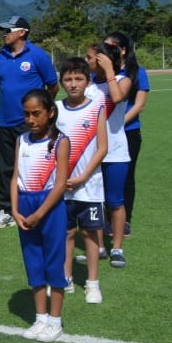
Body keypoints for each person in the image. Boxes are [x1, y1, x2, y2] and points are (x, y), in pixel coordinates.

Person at [11, 89, 71, 342]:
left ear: (50, 113)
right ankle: (40, 318)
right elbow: (15, 177)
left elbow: (61, 184)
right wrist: (15, 210)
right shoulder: (22, 140)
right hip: (25, 204)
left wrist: (39, 213)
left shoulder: (60, 142)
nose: (31, 119)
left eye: (36, 113)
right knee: (33, 262)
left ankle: (55, 321)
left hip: (49, 207)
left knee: (53, 262)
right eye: (27, 114)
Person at [0, 16, 58, 229]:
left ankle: (35, 204)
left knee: (31, 165)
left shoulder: (38, 55)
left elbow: (52, 86)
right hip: (5, 122)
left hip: (29, 124)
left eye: (9, 30)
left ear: (22, 32)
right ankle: (6, 210)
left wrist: (40, 113)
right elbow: (1, 83)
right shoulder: (0, 57)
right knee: (5, 168)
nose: (5, 34)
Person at [57, 57, 108, 304]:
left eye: (79, 78)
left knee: (90, 234)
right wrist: (61, 178)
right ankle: (65, 278)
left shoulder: (97, 108)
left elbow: (103, 148)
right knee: (66, 233)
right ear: (61, 82)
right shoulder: (56, 108)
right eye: (68, 79)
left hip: (89, 185)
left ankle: (92, 283)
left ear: (88, 81)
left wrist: (83, 176)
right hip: (62, 186)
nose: (73, 84)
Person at [87, 42, 132, 269]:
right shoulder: (88, 84)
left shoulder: (123, 80)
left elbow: (116, 98)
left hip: (115, 153)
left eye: (90, 58)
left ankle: (117, 248)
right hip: (92, 153)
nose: (87, 61)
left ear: (103, 60)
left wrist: (109, 71)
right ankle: (98, 247)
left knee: (115, 202)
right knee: (94, 201)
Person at [104, 32, 146, 234]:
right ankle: (104, 220)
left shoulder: (136, 72)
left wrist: (118, 123)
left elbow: (139, 105)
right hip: (103, 133)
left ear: (123, 50)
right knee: (102, 176)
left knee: (127, 177)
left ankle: (124, 220)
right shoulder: (100, 73)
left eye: (111, 46)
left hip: (128, 132)